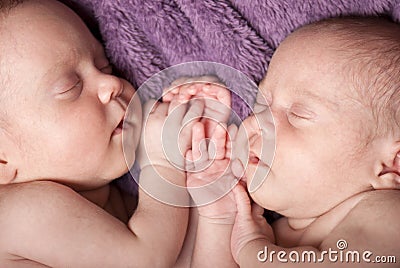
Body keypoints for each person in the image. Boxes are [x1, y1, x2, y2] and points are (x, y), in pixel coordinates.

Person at [179, 16, 400, 267]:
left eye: (298, 115)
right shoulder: (272, 229)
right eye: (260, 105)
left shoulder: (388, 214)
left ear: (392, 164)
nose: (255, 123)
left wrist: (253, 251)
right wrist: (219, 216)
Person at [0, 0, 208, 266]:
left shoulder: (113, 201)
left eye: (104, 65)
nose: (111, 83)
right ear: (2, 159)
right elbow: (146, 261)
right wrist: (163, 162)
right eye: (70, 87)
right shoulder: (16, 215)